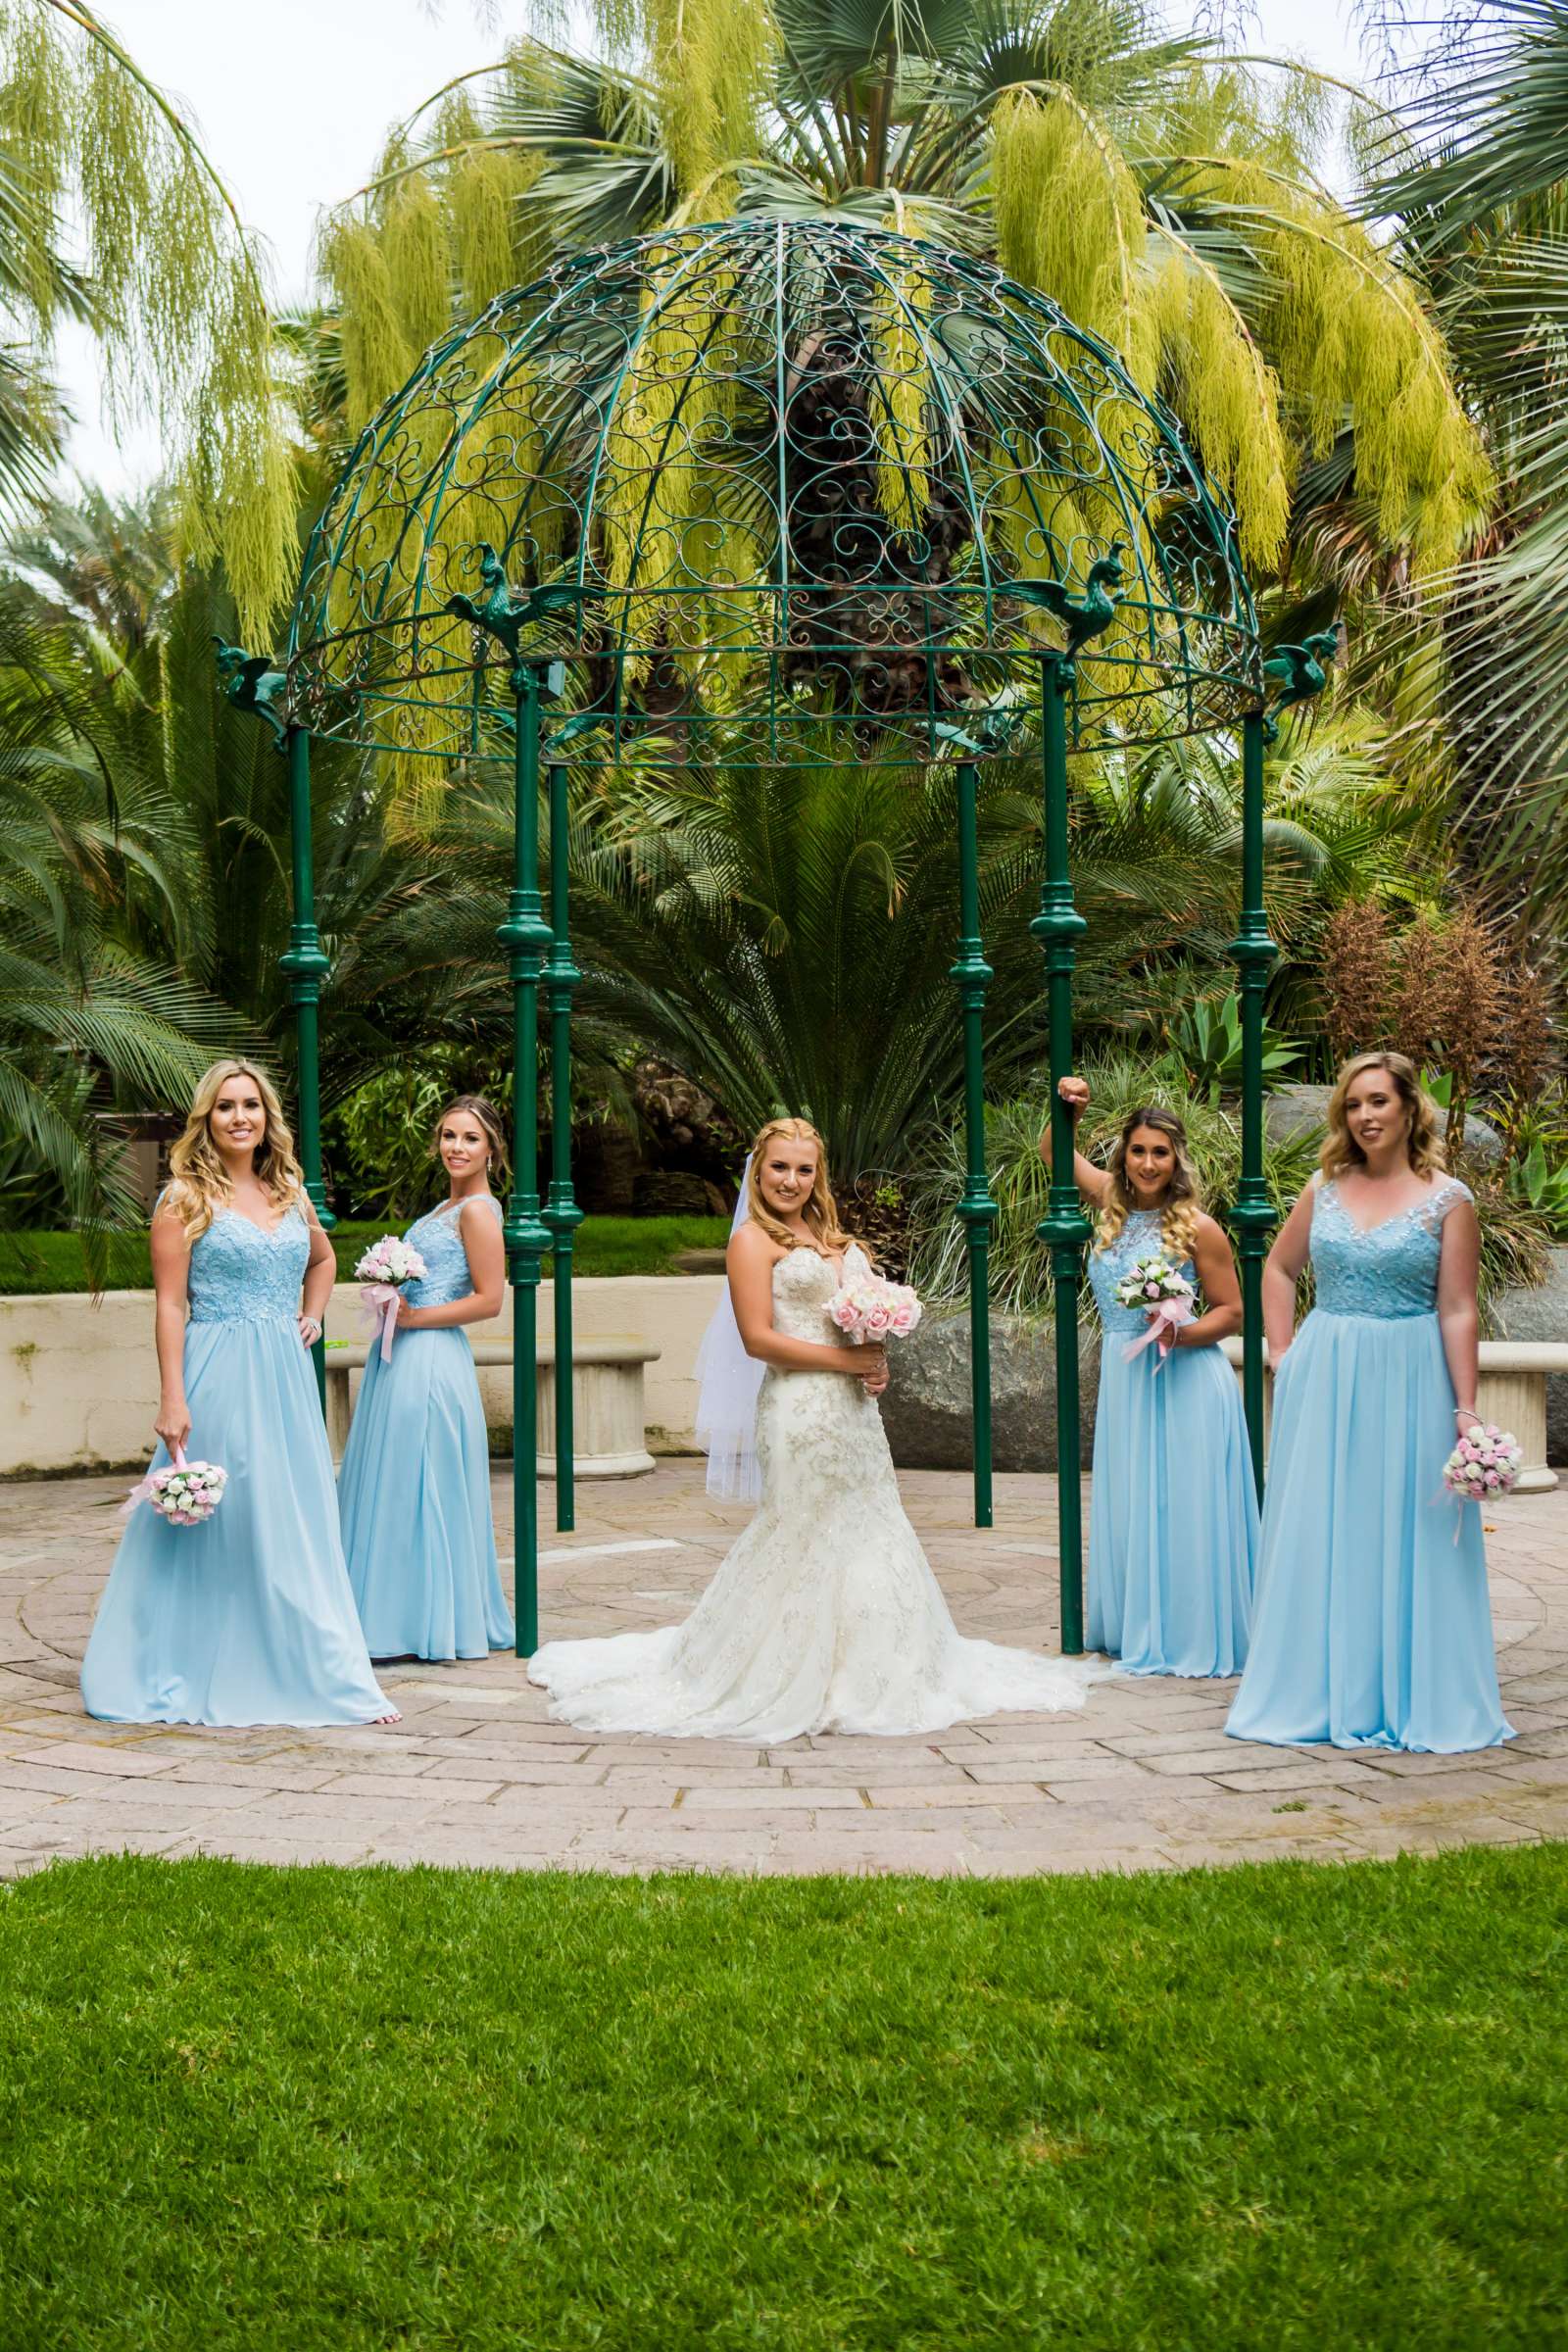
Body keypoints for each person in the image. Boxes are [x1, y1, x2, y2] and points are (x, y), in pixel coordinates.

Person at [528, 1115, 1106, 1739]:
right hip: (799, 1412)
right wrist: (847, 1360)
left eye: (804, 1170)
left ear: (817, 1175)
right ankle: (780, 1671)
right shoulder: (753, 1240)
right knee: (801, 1531)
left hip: (855, 1413)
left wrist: (873, 1357)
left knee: (872, 1526)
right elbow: (759, 1340)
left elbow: (846, 1324)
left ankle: (875, 1669)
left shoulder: (829, 1233)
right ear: (758, 1168)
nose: (791, 1180)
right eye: (779, 1167)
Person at [80, 1059, 395, 1727]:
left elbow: (325, 1258)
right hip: (217, 1366)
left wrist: (312, 1313)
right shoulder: (183, 1200)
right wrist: (172, 1397)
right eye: (225, 1106)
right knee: (221, 1516)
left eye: (251, 1104)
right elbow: (169, 1307)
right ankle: (195, 1659)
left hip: (283, 1374)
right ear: (207, 1118)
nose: (240, 1117)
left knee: (295, 1514)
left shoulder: (290, 1188)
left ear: (267, 1116)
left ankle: (319, 1666)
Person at [1226, 1051, 1513, 1752]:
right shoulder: (1323, 1188)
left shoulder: (1450, 1200)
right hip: (1324, 1375)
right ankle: (1320, 1689)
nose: (1365, 1116)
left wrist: (1466, 1409)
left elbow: (1457, 1308)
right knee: (1323, 1525)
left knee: (1407, 1529)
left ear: (1411, 1108)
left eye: (1379, 1102)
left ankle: (1411, 1691)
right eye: (1354, 1105)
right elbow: (1279, 1268)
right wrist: (1283, 1354)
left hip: (1412, 1377)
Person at [1044, 1080, 1256, 1676]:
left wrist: (1179, 1333)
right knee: (1136, 1497)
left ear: (1177, 1159)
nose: (1148, 1163)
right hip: (1126, 1373)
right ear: (1124, 1155)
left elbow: (1232, 1311)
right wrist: (1070, 1111)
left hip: (1185, 1375)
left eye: (1160, 1152)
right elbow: (1054, 1152)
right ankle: (1138, 1623)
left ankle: (1189, 1629)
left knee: (1184, 1502)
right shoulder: (1109, 1200)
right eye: (1138, 1150)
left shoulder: (1198, 1228)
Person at [338, 1094, 514, 1661]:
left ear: (492, 1148)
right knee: (394, 1479)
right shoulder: (443, 1207)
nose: (456, 1148)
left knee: (424, 1482)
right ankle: (389, 1612)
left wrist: (414, 1316)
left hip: (433, 1357)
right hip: (401, 1354)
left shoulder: (480, 1212)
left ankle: (427, 1620)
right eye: (448, 1135)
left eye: (470, 1138)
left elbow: (489, 1302)